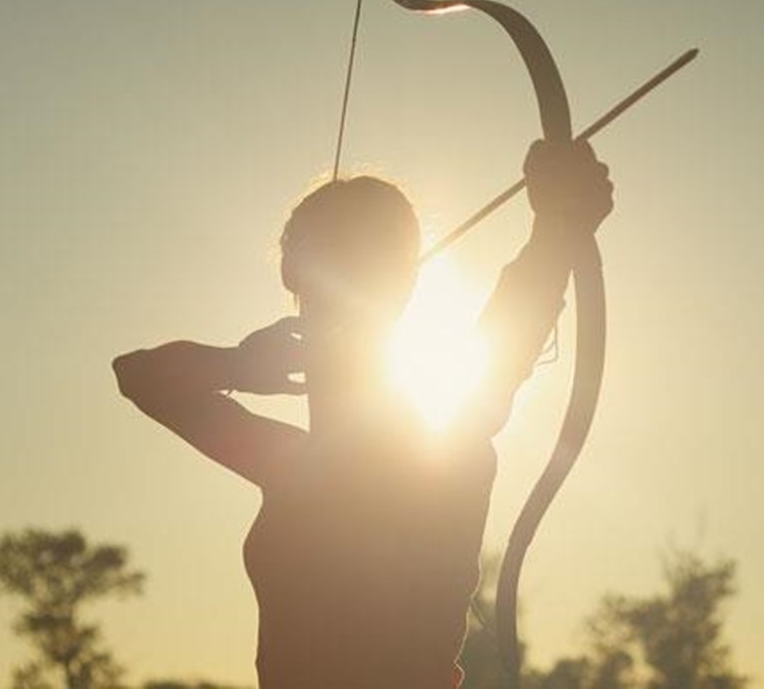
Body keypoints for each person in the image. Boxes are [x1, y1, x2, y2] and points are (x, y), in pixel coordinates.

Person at [112, 139, 613, 687]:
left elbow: (509, 332)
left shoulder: (443, 444)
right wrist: (240, 365)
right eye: (330, 261)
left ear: (407, 279)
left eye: (368, 257)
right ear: (293, 274)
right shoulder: (294, 465)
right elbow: (138, 376)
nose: (340, 290)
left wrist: (556, 228)